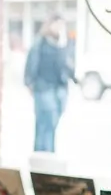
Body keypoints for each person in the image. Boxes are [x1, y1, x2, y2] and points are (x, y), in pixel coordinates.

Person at [24, 14, 74, 153]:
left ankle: (47, 153)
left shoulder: (63, 44)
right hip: (44, 87)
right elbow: (31, 64)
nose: (60, 28)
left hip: (60, 89)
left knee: (52, 125)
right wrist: (30, 83)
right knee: (46, 124)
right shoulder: (40, 43)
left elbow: (67, 66)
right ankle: (44, 154)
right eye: (57, 24)